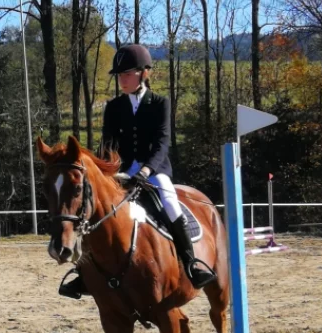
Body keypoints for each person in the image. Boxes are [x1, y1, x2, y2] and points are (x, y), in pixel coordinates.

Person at [58, 44, 216, 300]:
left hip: (154, 170)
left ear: (144, 73)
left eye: (127, 74)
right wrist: (107, 171)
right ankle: (83, 274)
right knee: (95, 209)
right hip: (120, 172)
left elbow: (163, 142)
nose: (122, 79)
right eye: (119, 75)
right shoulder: (113, 107)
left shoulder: (159, 103)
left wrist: (145, 169)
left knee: (170, 204)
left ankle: (192, 264)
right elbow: (107, 145)